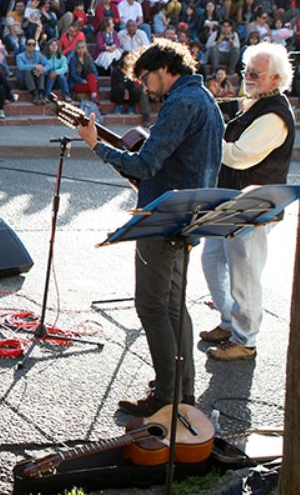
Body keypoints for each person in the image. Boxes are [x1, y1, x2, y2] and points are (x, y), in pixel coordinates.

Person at [77, 38, 223, 416]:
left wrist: (96, 145)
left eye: (145, 77)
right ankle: (181, 389)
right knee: (175, 306)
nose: (144, 85)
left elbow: (144, 165)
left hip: (162, 217)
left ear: (164, 69)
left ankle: (165, 397)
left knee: (152, 306)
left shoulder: (180, 102)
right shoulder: (205, 98)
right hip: (189, 213)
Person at [200, 42, 295, 361]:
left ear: (276, 78)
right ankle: (229, 322)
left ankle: (245, 339)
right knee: (213, 260)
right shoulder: (256, 103)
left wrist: (210, 142)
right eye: (246, 71)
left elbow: (240, 156)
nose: (248, 77)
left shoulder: (275, 114)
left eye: (256, 72)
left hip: (254, 203)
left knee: (245, 272)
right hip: (233, 198)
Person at [16, 38, 49, 104]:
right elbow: (21, 67)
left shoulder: (39, 55)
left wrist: (42, 69)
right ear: (25, 46)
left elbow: (48, 64)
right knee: (27, 71)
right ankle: (35, 95)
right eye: (29, 44)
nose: (31, 46)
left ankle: (40, 94)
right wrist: (34, 66)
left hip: (35, 80)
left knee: (40, 71)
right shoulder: (20, 56)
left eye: (33, 44)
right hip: (23, 82)